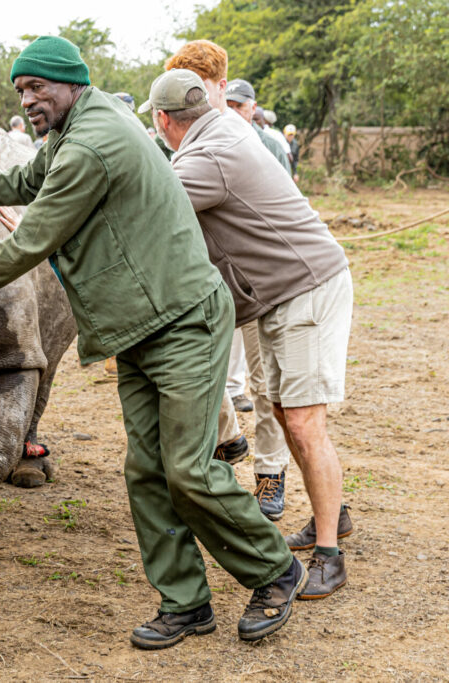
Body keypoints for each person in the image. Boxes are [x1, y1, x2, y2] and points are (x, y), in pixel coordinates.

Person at [0, 35, 302, 649]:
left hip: (181, 320)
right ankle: (185, 601)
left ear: (71, 82)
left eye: (38, 88)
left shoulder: (93, 142)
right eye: (21, 91)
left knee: (188, 468)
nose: (29, 100)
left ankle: (275, 571)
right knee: (146, 470)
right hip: (138, 325)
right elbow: (29, 176)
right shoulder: (74, 129)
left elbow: (30, 243)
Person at [151, 68, 354, 600]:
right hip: (286, 290)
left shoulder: (203, 159)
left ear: (162, 119)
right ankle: (332, 514)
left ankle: (330, 553)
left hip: (304, 288)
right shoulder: (223, 129)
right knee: (288, 413)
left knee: (305, 422)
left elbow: (146, 211)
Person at [166, 42, 290, 515]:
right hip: (207, 279)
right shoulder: (178, 133)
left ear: (219, 87)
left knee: (265, 381)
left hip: (259, 278)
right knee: (201, 368)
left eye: (203, 88)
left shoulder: (240, 138)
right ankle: (228, 438)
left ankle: (269, 475)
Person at [224, 80, 292, 175]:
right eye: (229, 107)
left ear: (253, 108)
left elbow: (287, 188)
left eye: (240, 106)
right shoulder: (213, 143)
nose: (233, 112)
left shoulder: (272, 147)